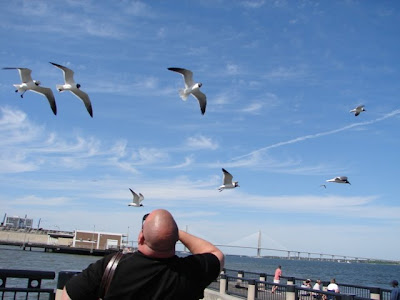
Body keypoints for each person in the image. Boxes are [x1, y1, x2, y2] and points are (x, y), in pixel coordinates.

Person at [62, 209, 225, 300]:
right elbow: (214, 253)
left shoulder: (111, 266)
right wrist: (173, 232)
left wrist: (159, 230)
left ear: (140, 236)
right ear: (175, 239)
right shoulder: (191, 272)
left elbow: (66, 297)